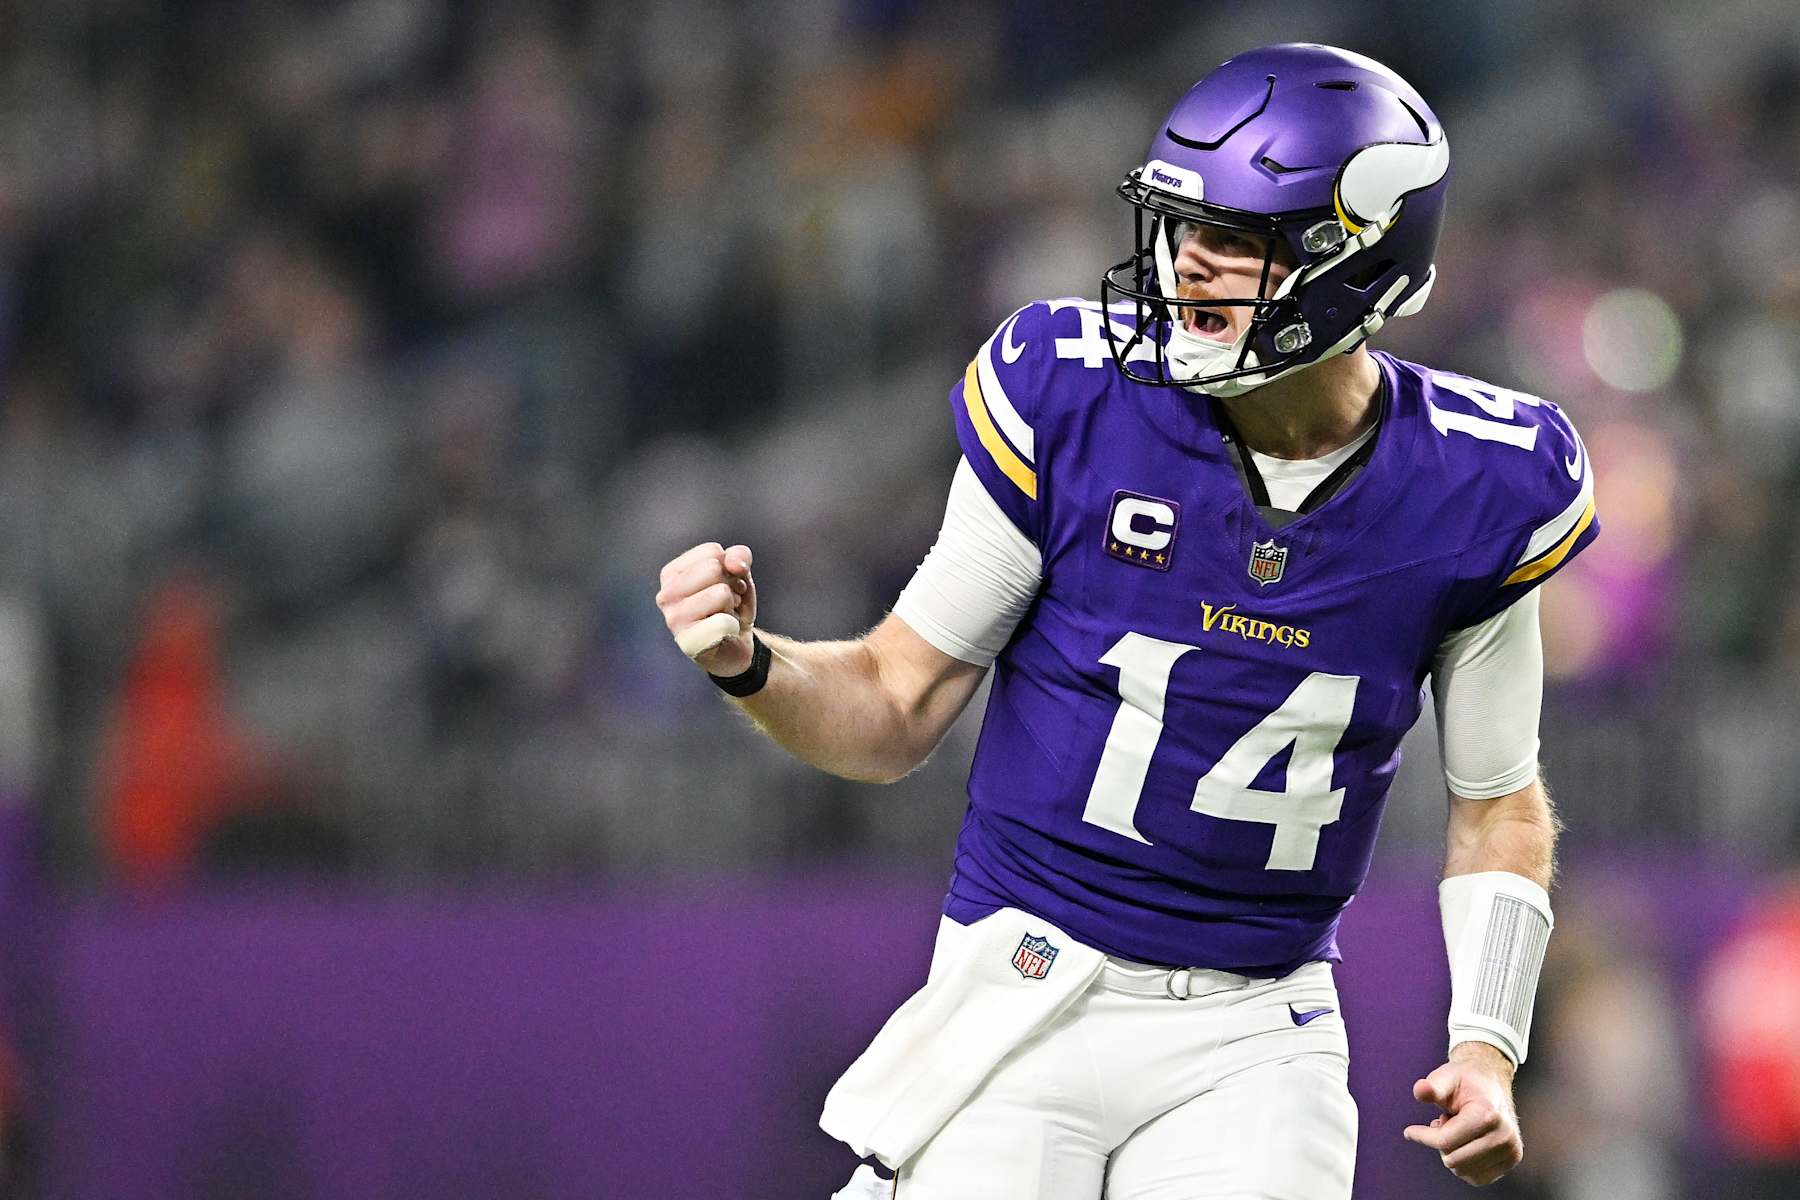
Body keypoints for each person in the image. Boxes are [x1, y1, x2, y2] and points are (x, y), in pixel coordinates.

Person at [656, 43, 1594, 1200]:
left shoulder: (1482, 485)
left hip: (1260, 1027)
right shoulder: (1074, 398)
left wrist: (1487, 1046)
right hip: (1027, 979)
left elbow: (1498, 805)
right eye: (1179, 226)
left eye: (1239, 240)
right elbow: (892, 707)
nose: (1188, 266)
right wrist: (754, 663)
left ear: (1364, 262)